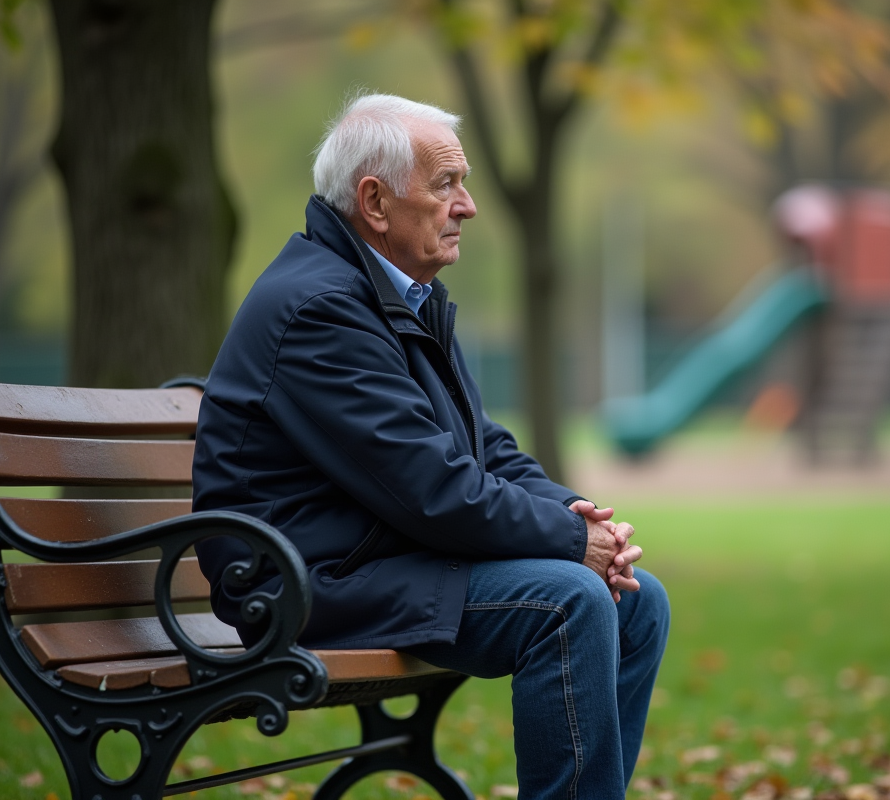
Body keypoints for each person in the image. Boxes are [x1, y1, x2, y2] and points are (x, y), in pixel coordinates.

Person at [192, 93, 670, 799]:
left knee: (638, 601)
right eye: (447, 184)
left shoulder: (396, 294)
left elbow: (484, 449)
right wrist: (572, 545)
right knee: (567, 599)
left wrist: (577, 513)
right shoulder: (320, 308)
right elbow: (432, 490)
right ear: (375, 202)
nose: (468, 205)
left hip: (374, 559)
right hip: (302, 583)